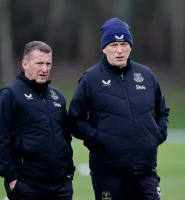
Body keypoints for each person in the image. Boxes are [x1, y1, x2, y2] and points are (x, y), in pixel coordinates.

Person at [68, 18, 170, 200]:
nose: (119, 50)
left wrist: (156, 135)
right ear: (104, 48)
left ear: (130, 46)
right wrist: (99, 139)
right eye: (114, 44)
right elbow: (75, 120)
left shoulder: (146, 75)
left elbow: (162, 112)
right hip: (108, 174)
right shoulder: (91, 78)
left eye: (124, 44)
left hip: (145, 172)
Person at [0, 41, 75, 200]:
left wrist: (69, 174)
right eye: (39, 63)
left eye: (48, 63)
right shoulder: (10, 94)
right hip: (27, 185)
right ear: (25, 64)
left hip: (60, 186)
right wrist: (12, 178)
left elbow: (65, 138)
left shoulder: (57, 96)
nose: (45, 69)